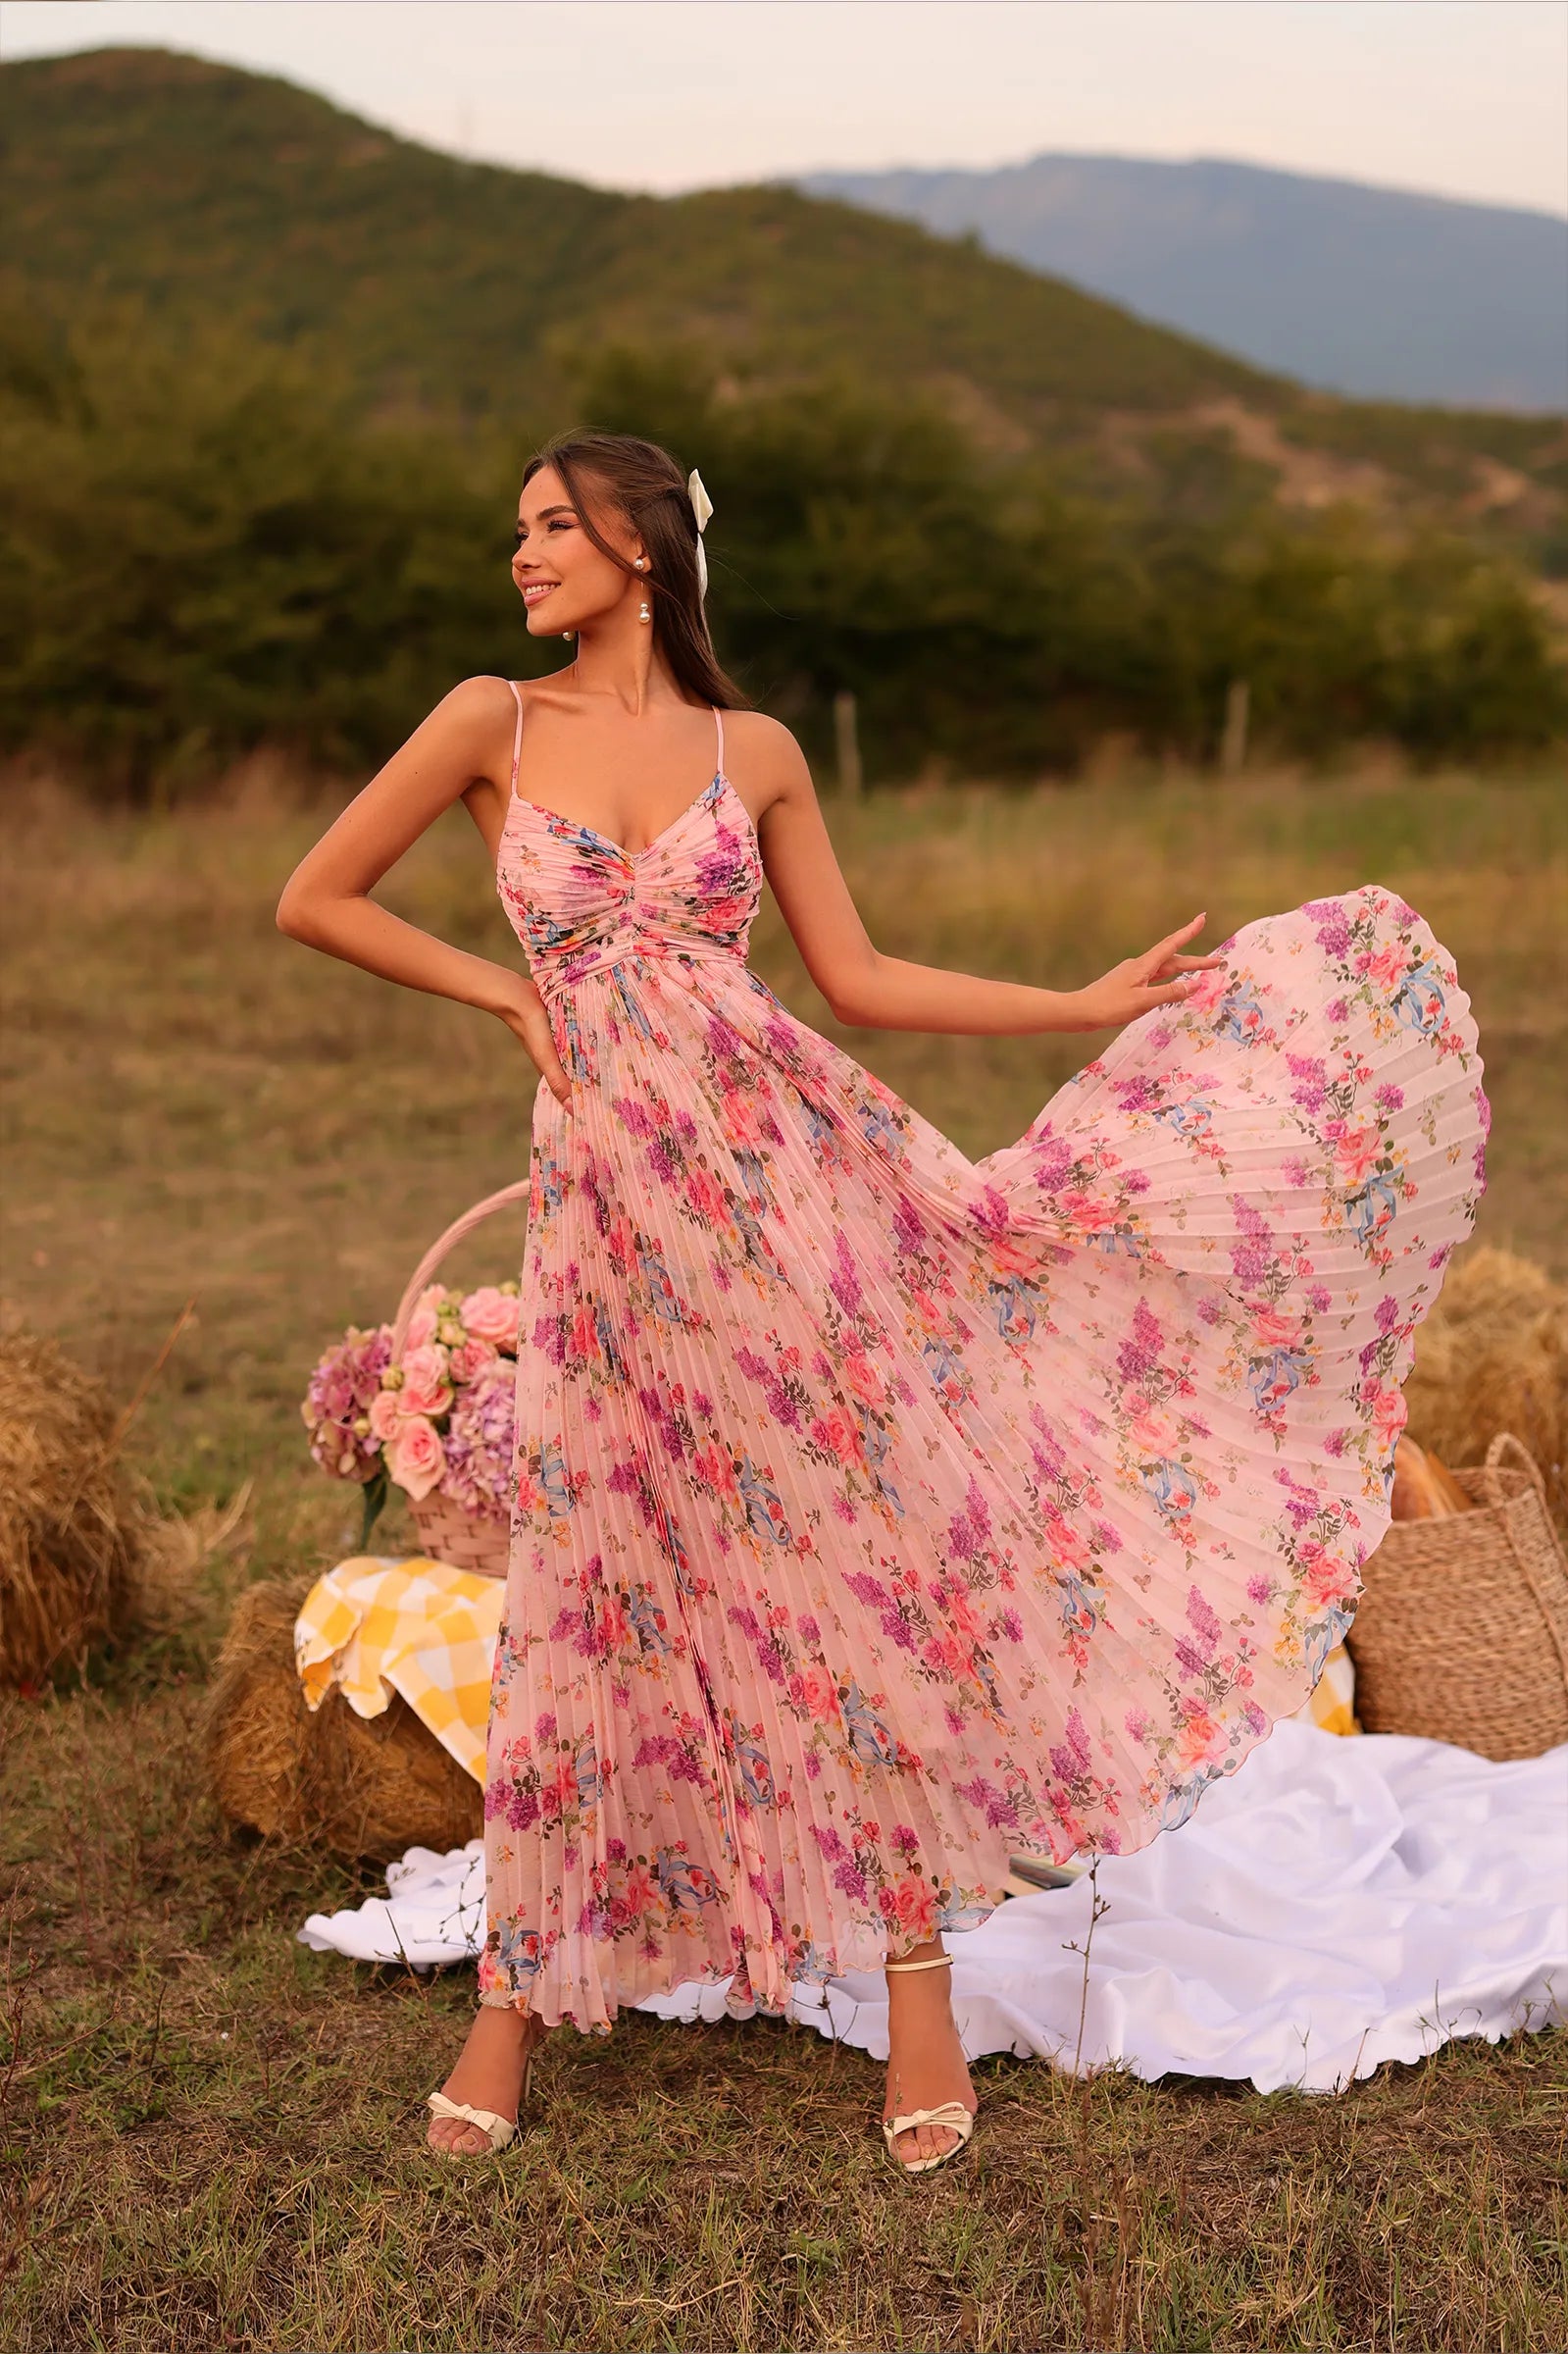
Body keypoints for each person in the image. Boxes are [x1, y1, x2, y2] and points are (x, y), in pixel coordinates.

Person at [277, 430, 1488, 2175]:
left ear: (639, 543)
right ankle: (515, 1999)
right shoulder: (490, 719)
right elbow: (315, 896)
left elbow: (855, 978)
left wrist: (1080, 1004)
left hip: (792, 1189)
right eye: (518, 528)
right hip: (613, 1215)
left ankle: (920, 1985)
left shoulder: (753, 751)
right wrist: (508, 999)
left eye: (549, 525)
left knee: (846, 1563)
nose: (518, 552)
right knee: (593, 1572)